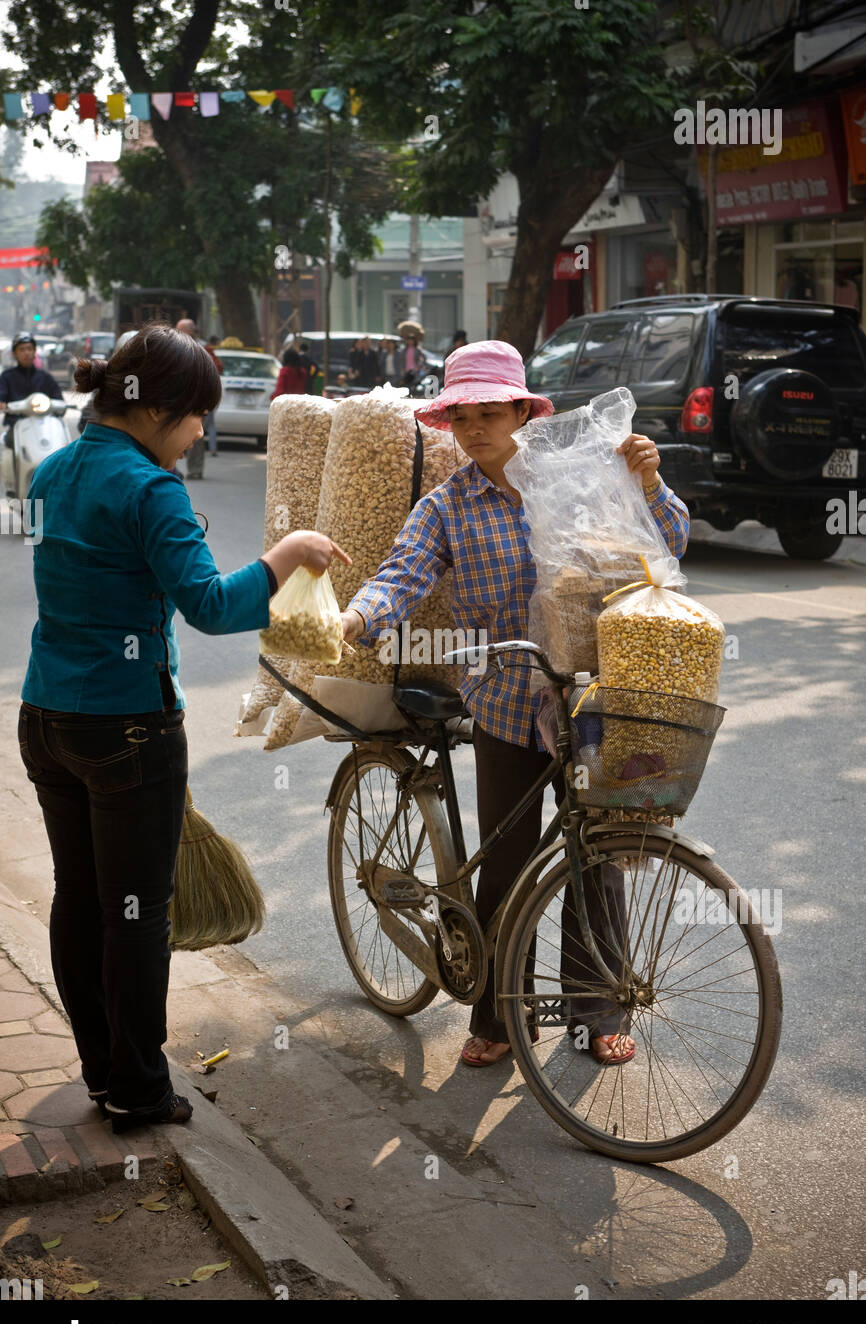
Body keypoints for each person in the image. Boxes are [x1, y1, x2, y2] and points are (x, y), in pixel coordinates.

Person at [18, 323, 350, 1132]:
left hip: (47, 719)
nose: (203, 430)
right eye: (197, 414)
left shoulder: (54, 469)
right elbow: (211, 606)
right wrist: (288, 554)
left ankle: (103, 1068)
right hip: (128, 729)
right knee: (135, 910)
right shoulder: (150, 488)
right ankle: (137, 1088)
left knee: (83, 898)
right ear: (157, 408)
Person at [340, 340, 689, 1068]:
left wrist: (650, 486)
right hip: (504, 699)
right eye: (460, 416)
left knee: (600, 855)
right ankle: (498, 1016)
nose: (474, 429)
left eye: (490, 413)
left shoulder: (582, 481)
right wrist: (355, 618)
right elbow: (401, 576)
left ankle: (597, 1011)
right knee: (507, 865)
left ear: (524, 412)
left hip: (592, 700)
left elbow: (670, 544)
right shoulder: (449, 506)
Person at [0, 331, 65, 497]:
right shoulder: (7, 377)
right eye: (22, 349)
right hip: (17, 425)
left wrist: (61, 406)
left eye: (29, 348)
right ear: (15, 353)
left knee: (65, 448)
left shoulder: (45, 377)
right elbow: (2, 397)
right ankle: (14, 486)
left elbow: (59, 399)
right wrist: (3, 404)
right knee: (7, 445)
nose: (27, 352)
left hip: (44, 426)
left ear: (34, 351)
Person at [175, 319, 206, 479]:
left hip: (198, 399)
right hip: (177, 398)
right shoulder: (173, 346)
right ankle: (169, 468)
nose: (177, 332)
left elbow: (214, 371)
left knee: (196, 436)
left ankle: (195, 469)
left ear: (191, 332)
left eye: (181, 330)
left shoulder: (203, 349)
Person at [202, 336, 223, 454]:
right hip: (210, 394)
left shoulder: (202, 352)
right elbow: (220, 367)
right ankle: (213, 448)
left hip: (202, 395)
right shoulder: (210, 353)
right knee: (210, 424)